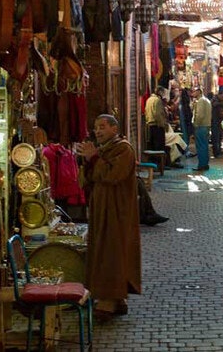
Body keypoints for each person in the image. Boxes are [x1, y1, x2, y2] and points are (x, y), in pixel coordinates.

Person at [76, 114, 141, 316]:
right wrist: (88, 161)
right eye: (96, 127)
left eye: (102, 126)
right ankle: (115, 297)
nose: (98, 131)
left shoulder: (123, 149)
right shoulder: (104, 150)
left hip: (117, 211)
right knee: (104, 249)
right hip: (102, 208)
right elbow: (89, 178)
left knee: (112, 251)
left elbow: (113, 175)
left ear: (114, 128)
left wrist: (94, 158)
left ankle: (108, 299)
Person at [145, 86, 169, 164]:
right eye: (163, 92)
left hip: (150, 125)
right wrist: (163, 125)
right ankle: (159, 164)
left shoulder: (149, 100)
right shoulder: (157, 100)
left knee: (152, 146)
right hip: (157, 126)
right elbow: (158, 114)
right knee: (159, 147)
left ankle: (153, 163)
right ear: (160, 92)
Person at [191, 88, 211, 171]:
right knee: (204, 145)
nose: (192, 93)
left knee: (201, 146)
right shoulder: (206, 100)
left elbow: (200, 115)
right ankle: (205, 164)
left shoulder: (201, 101)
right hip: (206, 125)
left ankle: (202, 165)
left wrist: (195, 124)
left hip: (201, 126)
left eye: (194, 91)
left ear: (198, 92)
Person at [210, 91, 223, 158]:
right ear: (220, 95)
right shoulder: (215, 100)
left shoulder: (219, 101)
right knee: (216, 137)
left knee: (219, 137)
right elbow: (214, 104)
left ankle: (218, 151)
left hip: (218, 122)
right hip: (215, 122)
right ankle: (216, 152)